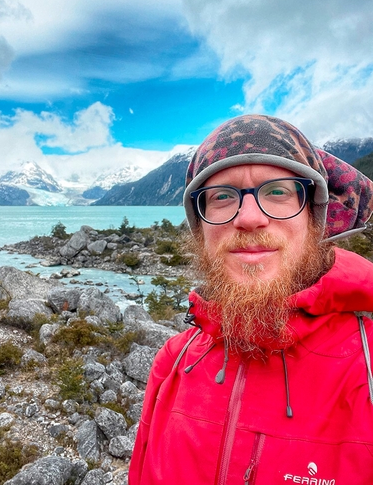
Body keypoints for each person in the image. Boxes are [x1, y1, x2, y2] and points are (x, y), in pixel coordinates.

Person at [129, 114, 373, 485]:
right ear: (201, 227)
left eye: (277, 192)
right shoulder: (172, 363)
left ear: (314, 218)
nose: (249, 217)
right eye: (223, 196)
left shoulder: (366, 368)